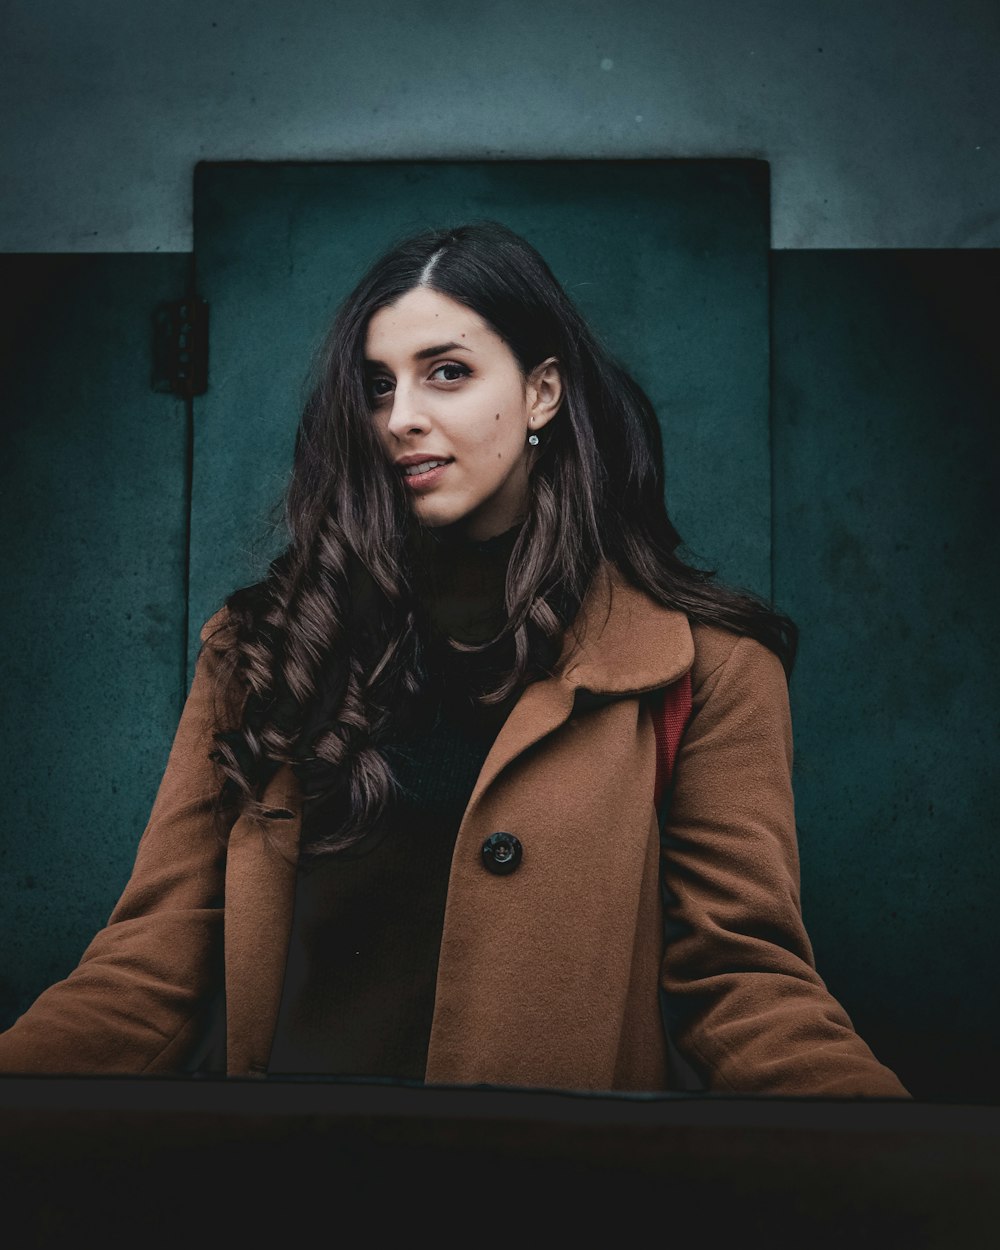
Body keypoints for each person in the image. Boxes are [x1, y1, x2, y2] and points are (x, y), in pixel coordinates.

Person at [0, 221, 910, 1096]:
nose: (402, 417)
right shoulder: (262, 648)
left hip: (545, 1193)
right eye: (376, 385)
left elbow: (743, 983)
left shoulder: (702, 668)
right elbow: (150, 967)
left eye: (447, 373)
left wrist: (901, 1160)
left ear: (542, 392)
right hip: (283, 1186)